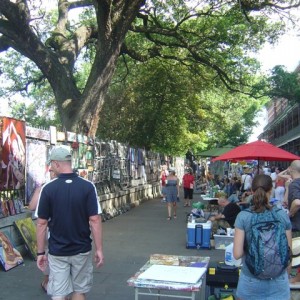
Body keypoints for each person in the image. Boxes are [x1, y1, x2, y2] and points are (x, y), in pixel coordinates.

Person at [36, 146, 104, 300]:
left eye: (51, 164)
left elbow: (41, 224)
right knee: (79, 290)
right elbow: (95, 219)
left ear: (56, 164)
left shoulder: (48, 189)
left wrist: (40, 253)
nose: (51, 167)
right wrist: (99, 249)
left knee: (58, 293)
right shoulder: (88, 187)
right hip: (81, 249)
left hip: (57, 250)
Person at [233, 174, 292, 300]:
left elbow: (237, 254)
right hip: (278, 282)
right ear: (271, 190)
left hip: (251, 281)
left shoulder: (243, 216)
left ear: (252, 191)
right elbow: (288, 252)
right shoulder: (282, 215)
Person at [29, 168, 56, 293]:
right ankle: (47, 281)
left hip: (53, 228)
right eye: (50, 171)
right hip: (45, 227)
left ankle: (50, 282)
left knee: (51, 255)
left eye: (52, 171)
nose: (51, 173)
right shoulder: (44, 188)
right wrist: (39, 189)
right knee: (46, 254)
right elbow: (31, 207)